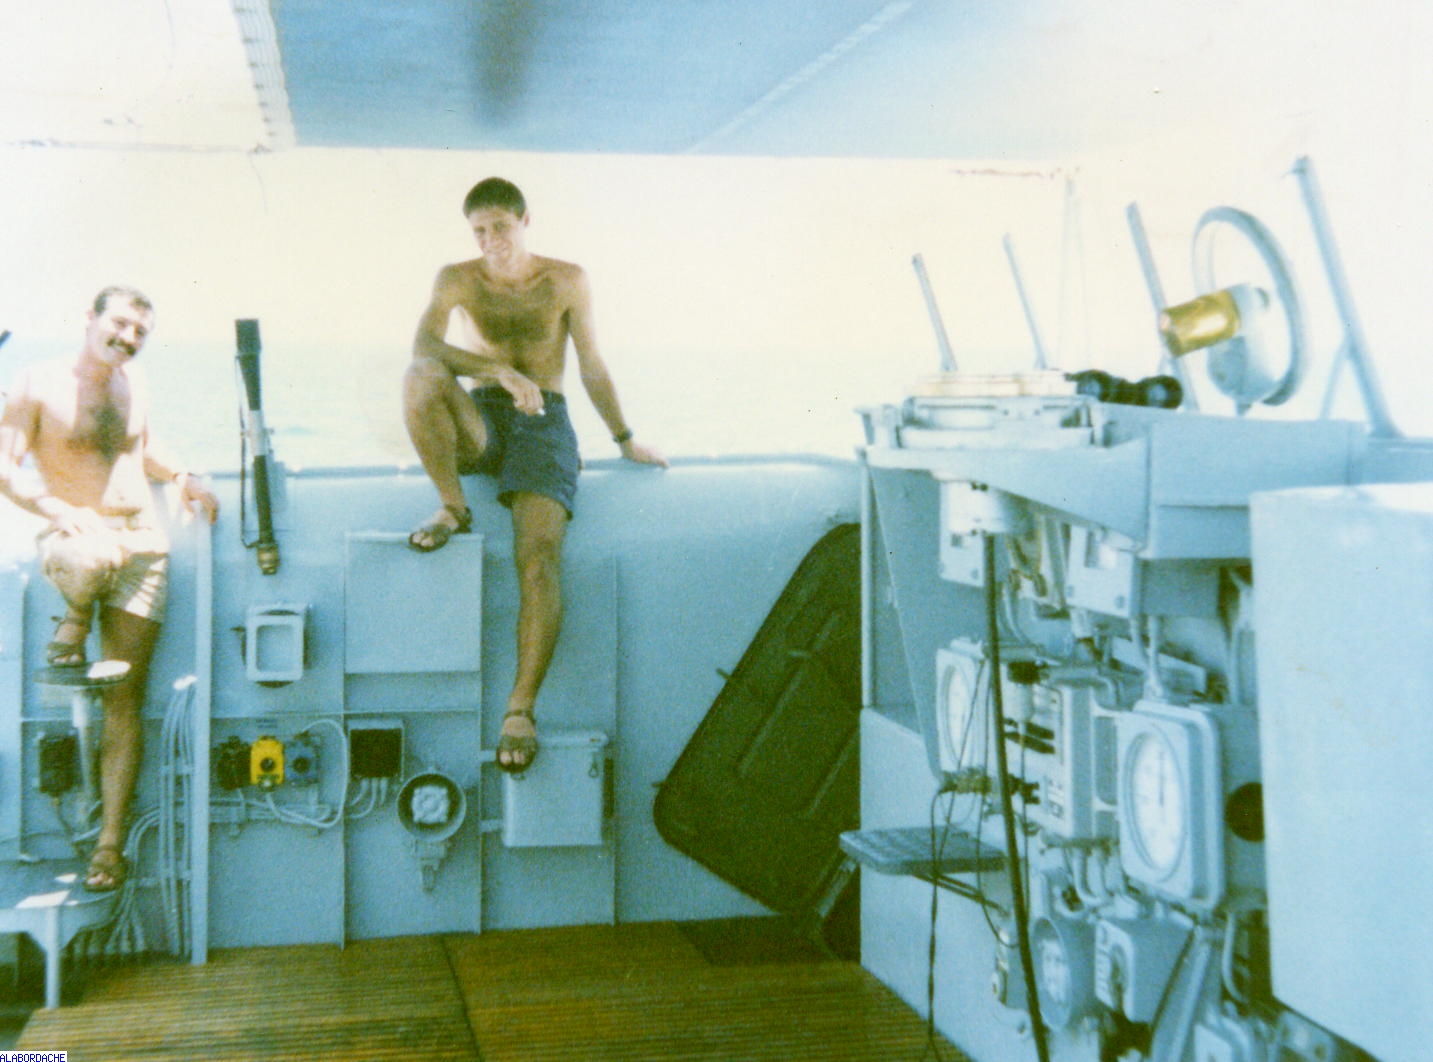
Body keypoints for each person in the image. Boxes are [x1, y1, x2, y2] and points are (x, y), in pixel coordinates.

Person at [404, 177, 666, 774]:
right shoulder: (457, 279)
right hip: (484, 417)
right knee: (420, 375)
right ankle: (453, 507)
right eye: (478, 231)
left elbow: (591, 362)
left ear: (525, 221)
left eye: (500, 226)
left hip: (545, 421)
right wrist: (498, 371)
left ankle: (519, 709)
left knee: (539, 558)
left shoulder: (567, 279)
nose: (490, 240)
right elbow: (424, 344)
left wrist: (624, 439)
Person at [0, 286, 219, 892]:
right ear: (89, 319)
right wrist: (57, 509)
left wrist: (182, 475)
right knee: (91, 554)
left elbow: (140, 447)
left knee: (126, 698)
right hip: (79, 544)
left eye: (140, 332)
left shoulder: (134, 383)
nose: (128, 339)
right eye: (119, 324)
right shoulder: (35, 382)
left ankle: (109, 844)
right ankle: (72, 621)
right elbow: (4, 465)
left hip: (143, 550)